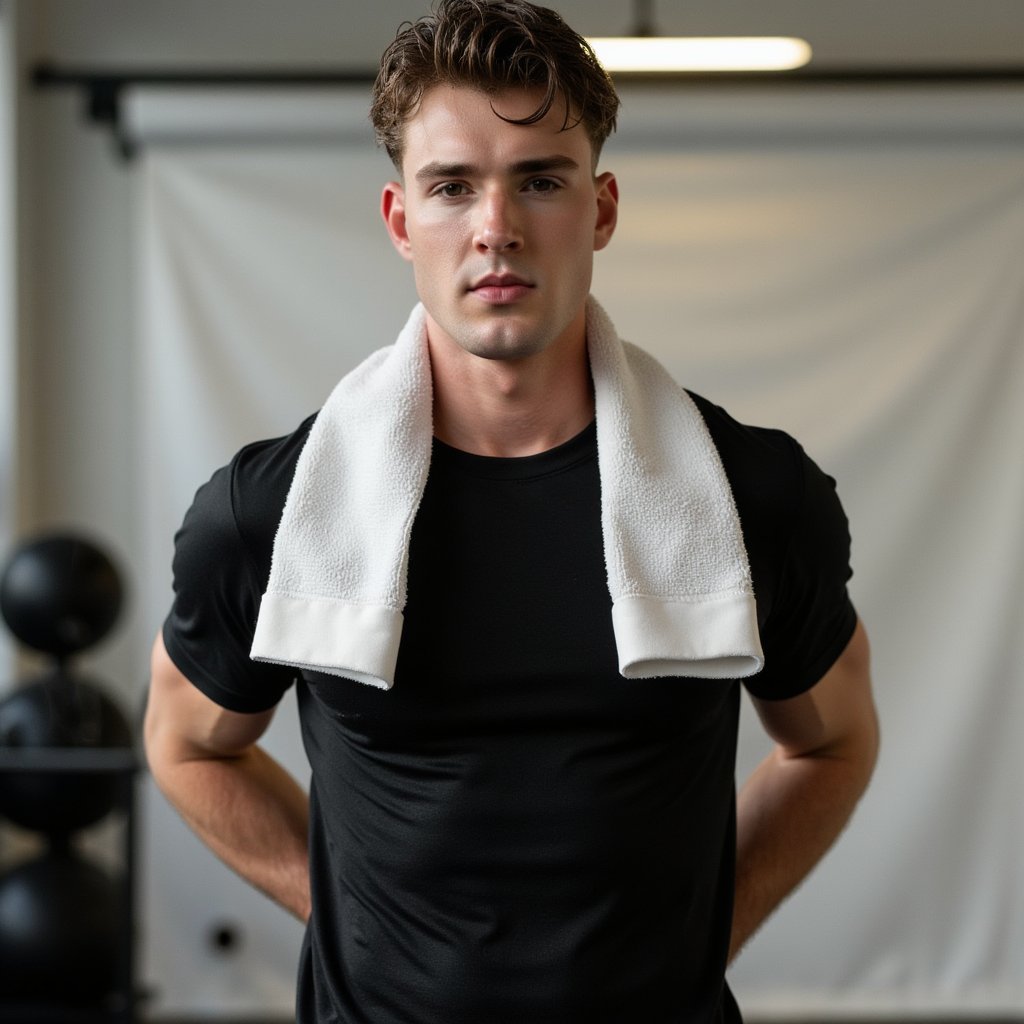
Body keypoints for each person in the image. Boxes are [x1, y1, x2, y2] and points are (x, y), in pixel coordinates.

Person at [144, 1, 879, 1021]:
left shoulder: (749, 496)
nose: (496, 227)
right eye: (453, 187)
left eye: (540, 179)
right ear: (402, 220)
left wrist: (702, 930)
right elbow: (185, 740)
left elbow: (833, 740)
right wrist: (354, 909)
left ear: (602, 210)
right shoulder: (272, 510)